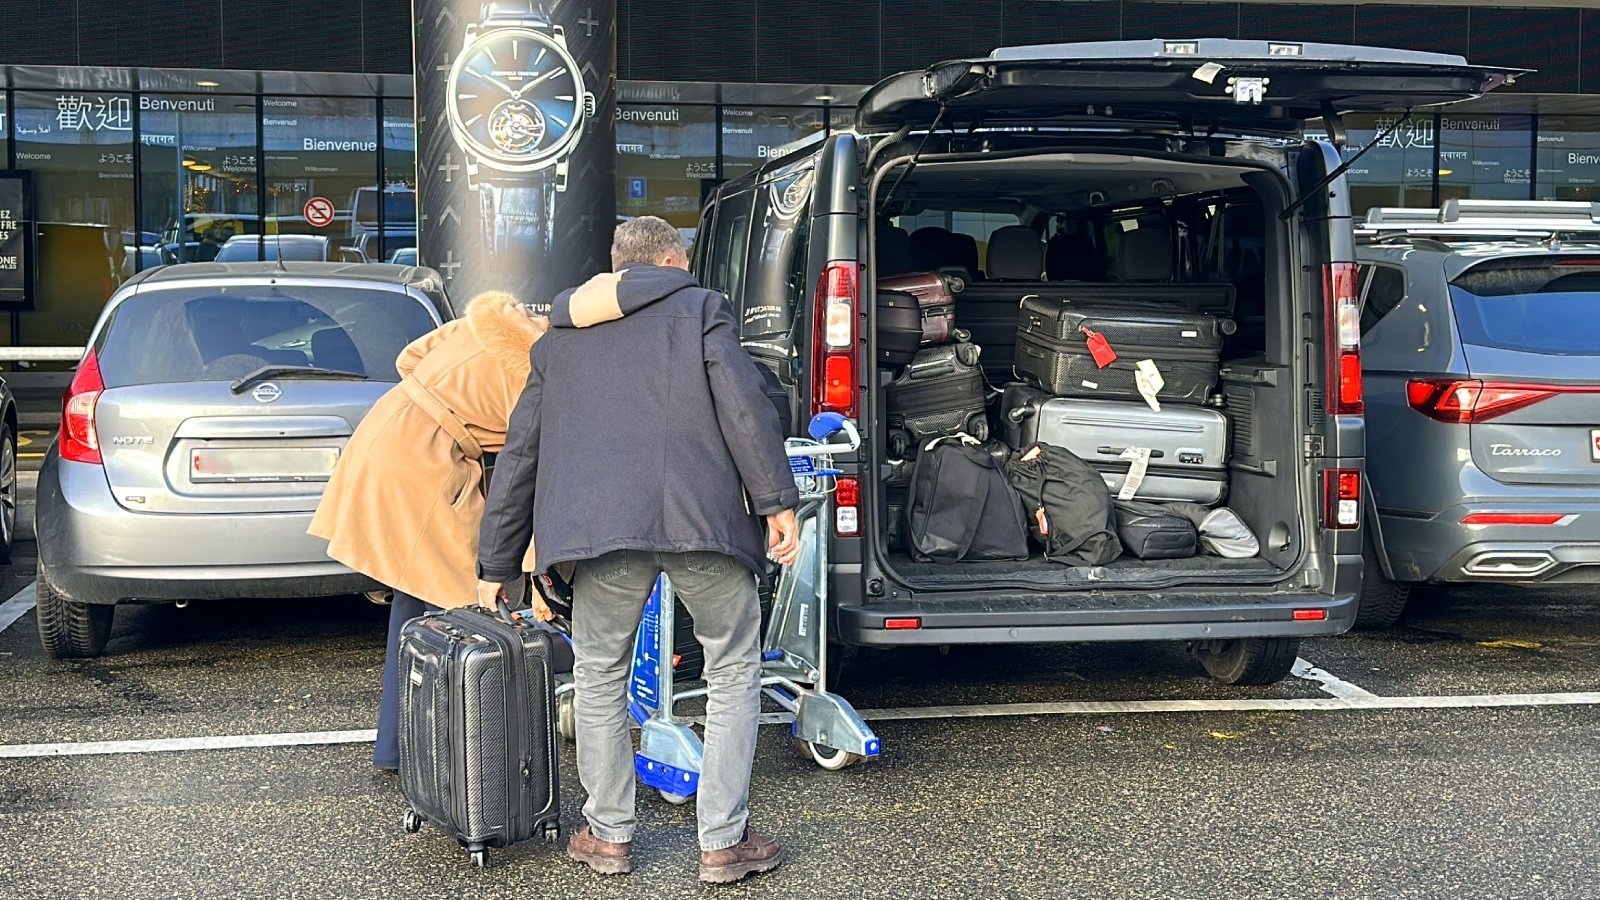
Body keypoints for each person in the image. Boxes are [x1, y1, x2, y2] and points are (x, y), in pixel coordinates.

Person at [476, 216, 800, 885]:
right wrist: (776, 502)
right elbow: (745, 409)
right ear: (676, 260)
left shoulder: (560, 338)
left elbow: (521, 454)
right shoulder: (703, 309)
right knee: (733, 670)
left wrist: (497, 564)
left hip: (599, 532)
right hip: (702, 523)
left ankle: (609, 836)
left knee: (598, 675)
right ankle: (722, 843)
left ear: (618, 267)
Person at [308, 290, 547, 771]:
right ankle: (453, 760)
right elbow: (529, 474)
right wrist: (537, 569)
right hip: (424, 465)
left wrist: (450, 401)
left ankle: (397, 747)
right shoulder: (535, 373)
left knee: (414, 602)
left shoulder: (483, 323)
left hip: (388, 430)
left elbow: (408, 358)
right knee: (462, 610)